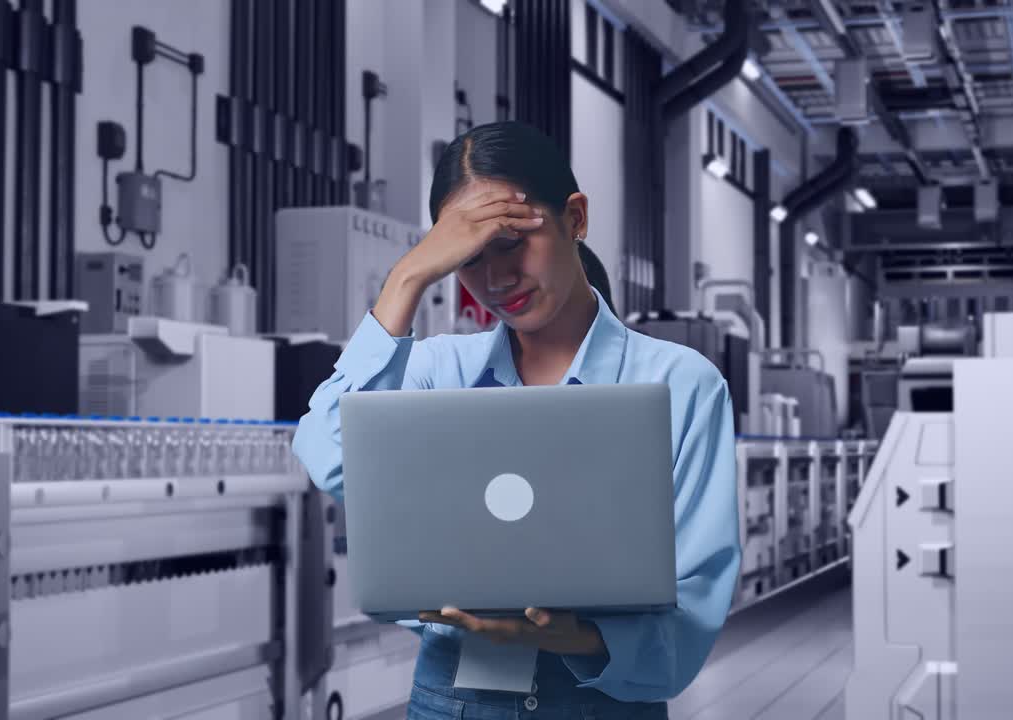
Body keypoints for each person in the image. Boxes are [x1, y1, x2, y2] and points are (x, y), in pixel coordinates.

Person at [292, 121, 740, 719]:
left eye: (511, 243)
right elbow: (328, 452)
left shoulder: (680, 385)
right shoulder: (436, 371)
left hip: (600, 706)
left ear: (575, 218)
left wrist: (572, 636)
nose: (496, 281)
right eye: (467, 259)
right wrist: (406, 278)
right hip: (453, 705)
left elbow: (693, 610)